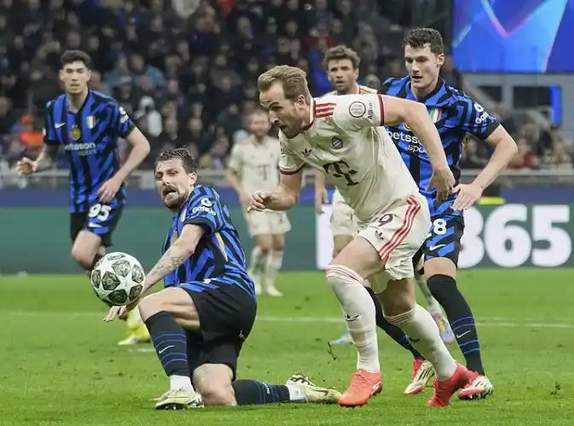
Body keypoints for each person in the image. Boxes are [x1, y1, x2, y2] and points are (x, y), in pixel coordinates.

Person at [253, 65, 477, 408]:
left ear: (300, 101)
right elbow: (289, 194)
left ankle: (368, 371)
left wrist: (440, 166)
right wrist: (271, 199)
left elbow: (414, 111)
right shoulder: (289, 138)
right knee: (399, 310)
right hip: (373, 220)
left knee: (340, 272)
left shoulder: (344, 109)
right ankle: (450, 373)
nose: (271, 117)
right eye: (266, 108)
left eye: (275, 107)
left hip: (402, 208)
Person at [105, 148, 341, 409]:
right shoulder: (171, 234)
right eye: (159, 176)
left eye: (173, 173)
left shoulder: (203, 197)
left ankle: (180, 389)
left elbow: (186, 246)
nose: (165, 181)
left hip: (229, 292)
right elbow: (175, 293)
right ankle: (296, 390)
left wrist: (138, 290)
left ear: (192, 178)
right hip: (206, 313)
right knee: (216, 394)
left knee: (151, 303)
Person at [380, 28, 518, 399]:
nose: (414, 67)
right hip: (395, 208)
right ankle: (425, 356)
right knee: (372, 297)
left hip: (440, 204)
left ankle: (478, 375)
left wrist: (477, 186)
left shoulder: (457, 105)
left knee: (440, 282)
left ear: (439, 60)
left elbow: (506, 144)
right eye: (409, 60)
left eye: (422, 60)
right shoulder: (391, 91)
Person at [313, 45, 454, 396]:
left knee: (385, 271)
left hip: (383, 194)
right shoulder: (318, 106)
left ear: (355, 71)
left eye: (344, 68)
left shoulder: (368, 101)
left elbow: (404, 125)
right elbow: (315, 151)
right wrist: (318, 188)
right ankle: (366, 326)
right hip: (346, 198)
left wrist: (434, 166)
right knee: (345, 266)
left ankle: (425, 319)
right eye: (333, 69)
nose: (338, 74)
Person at [15, 50, 152, 346]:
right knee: (92, 264)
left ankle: (138, 296)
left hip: (106, 193)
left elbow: (142, 144)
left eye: (80, 71)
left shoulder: (106, 107)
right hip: (78, 198)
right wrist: (35, 165)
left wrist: (118, 178)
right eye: (69, 71)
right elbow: (50, 154)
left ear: (89, 75)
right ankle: (136, 317)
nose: (75, 77)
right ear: (61, 76)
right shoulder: (54, 109)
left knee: (81, 253)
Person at [227, 109, 290, 297]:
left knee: (278, 245)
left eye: (262, 122)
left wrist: (284, 189)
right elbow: (231, 173)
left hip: (274, 200)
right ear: (250, 126)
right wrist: (241, 192)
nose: (260, 126)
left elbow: (285, 169)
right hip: (254, 201)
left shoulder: (277, 145)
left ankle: (269, 283)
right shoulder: (241, 148)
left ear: (269, 124)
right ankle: (253, 275)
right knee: (265, 245)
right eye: (256, 123)